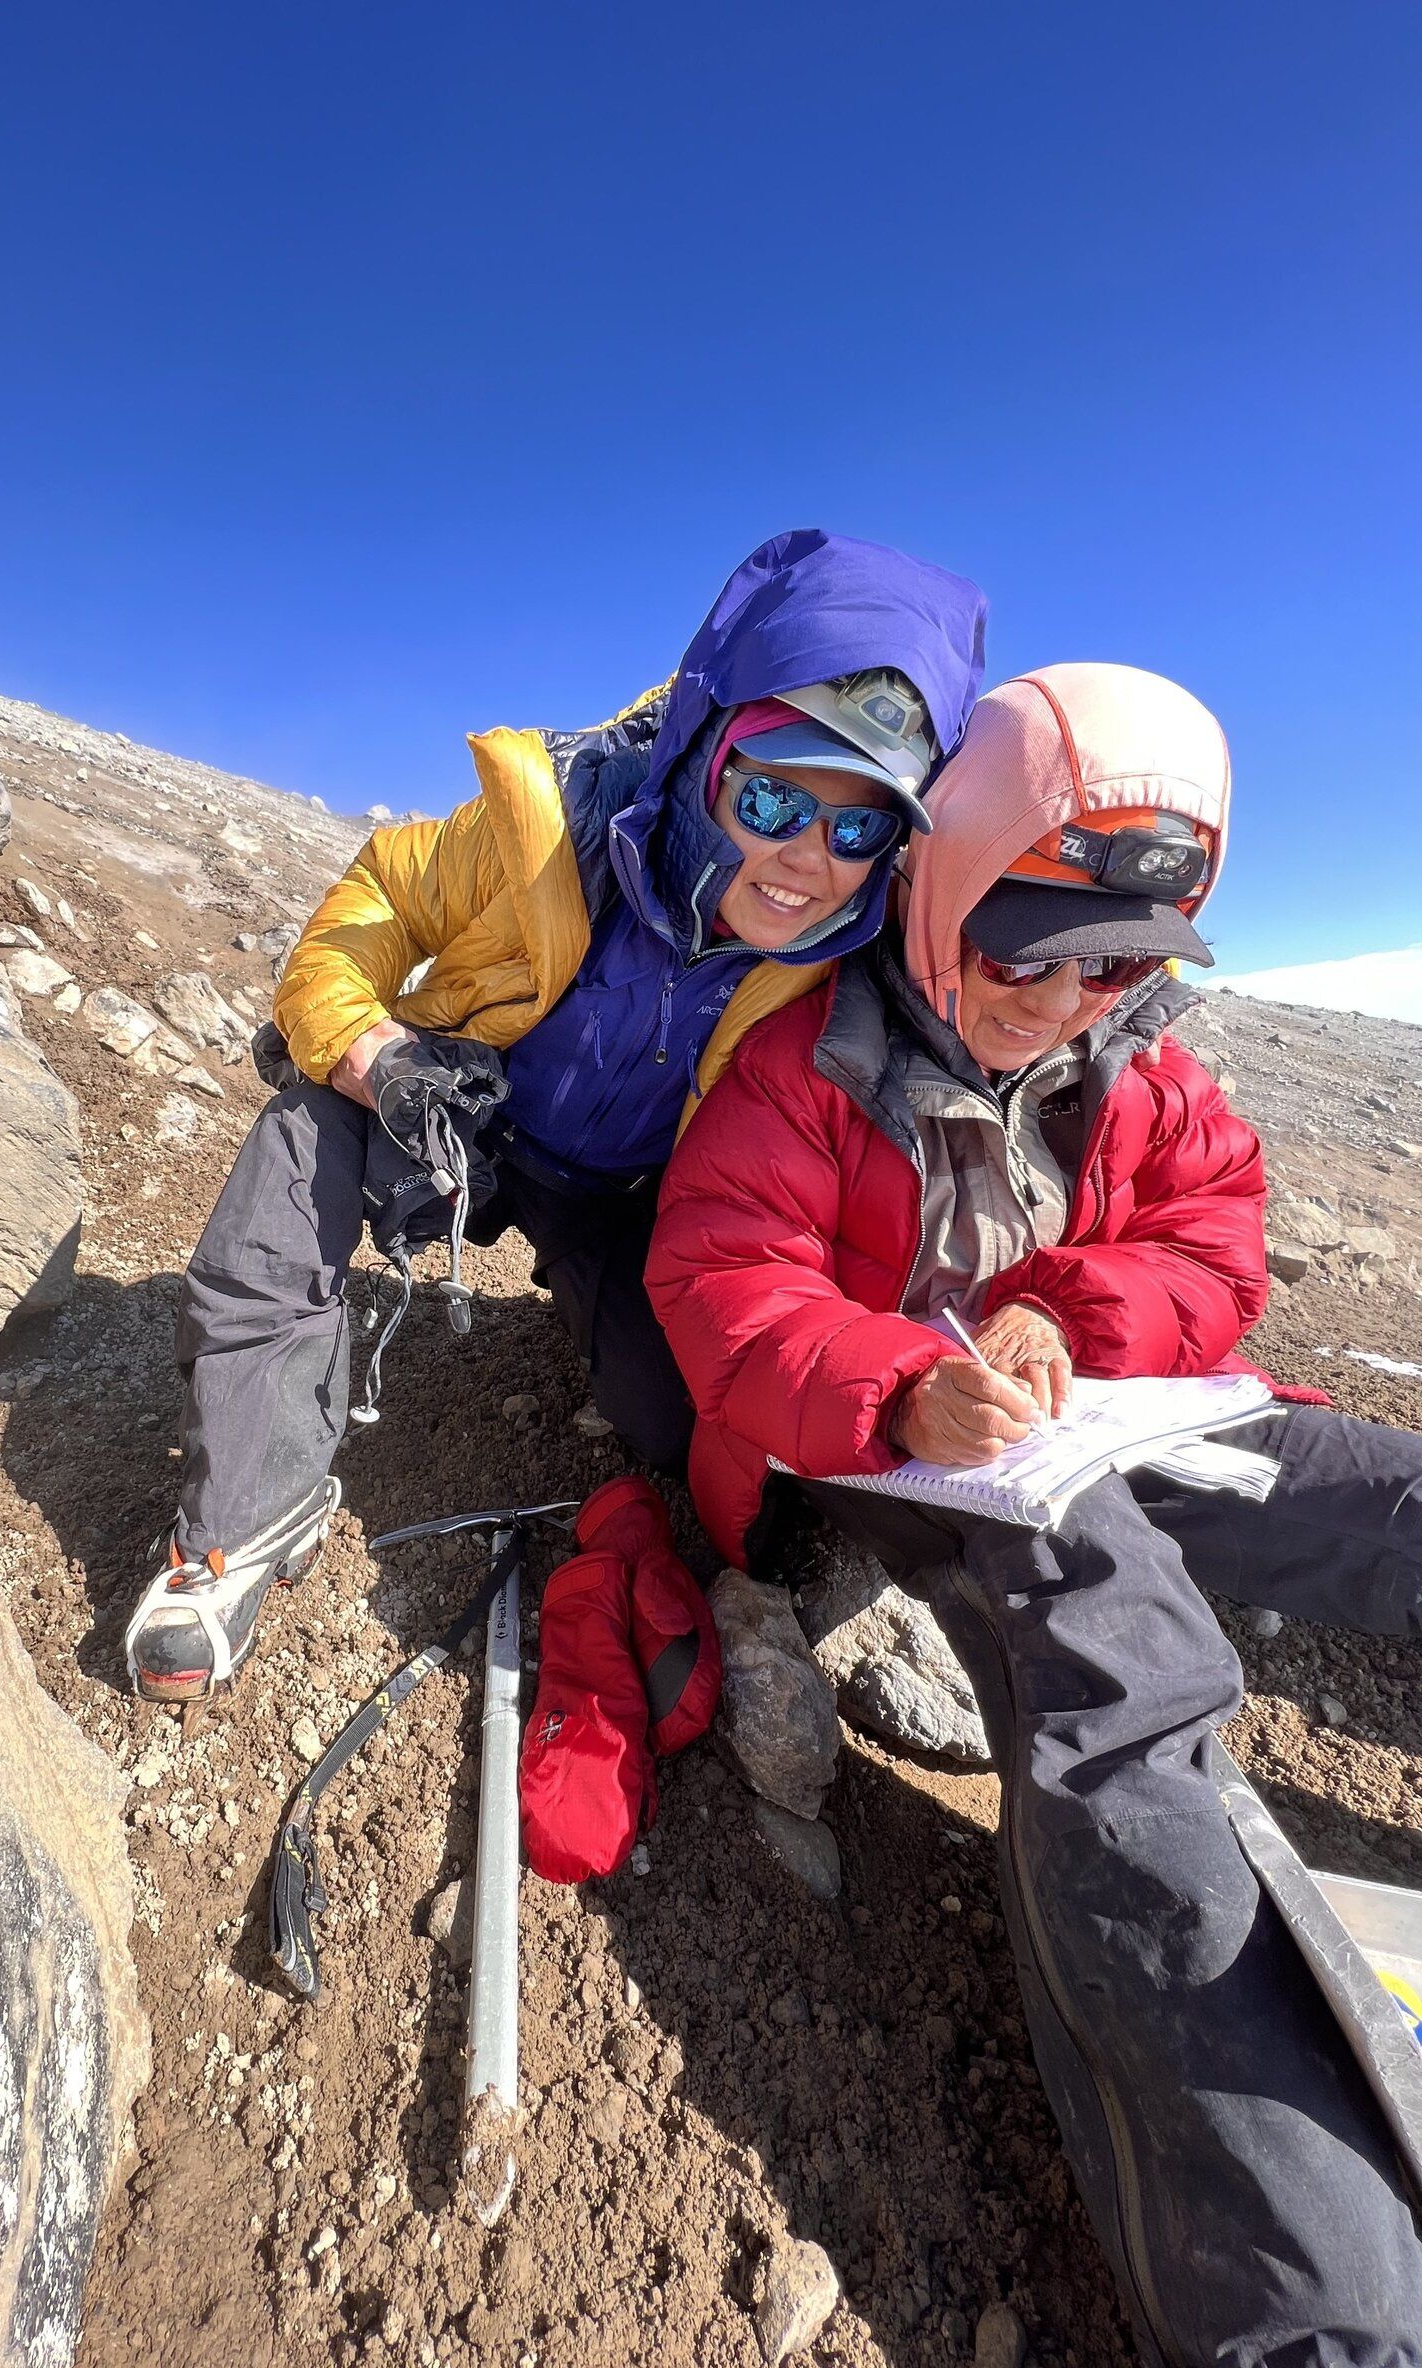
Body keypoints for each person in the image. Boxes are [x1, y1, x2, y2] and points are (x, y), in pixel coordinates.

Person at [646, 660, 1422, 2368]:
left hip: (1125, 1407)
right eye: (1031, 944)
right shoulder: (800, 1066)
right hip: (926, 1465)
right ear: (940, 884)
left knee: (1396, 1494)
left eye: (1125, 961)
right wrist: (901, 1389)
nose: (1070, 997)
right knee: (1127, 1684)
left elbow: (1219, 1237)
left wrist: (1074, 1314)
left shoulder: (1138, 1066)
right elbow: (716, 1280)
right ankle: (1322, 2343)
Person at [124, 528, 988, 1702]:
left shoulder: (846, 969)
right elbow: (375, 903)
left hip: (628, 1202)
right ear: (701, 748)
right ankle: (237, 1525)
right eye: (774, 793)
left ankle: (581, 1312)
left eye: (858, 826)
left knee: (664, 1422)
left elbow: (1023, 988)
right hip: (457, 1118)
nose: (806, 860)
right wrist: (382, 1062)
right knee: (302, 1138)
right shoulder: (548, 827)